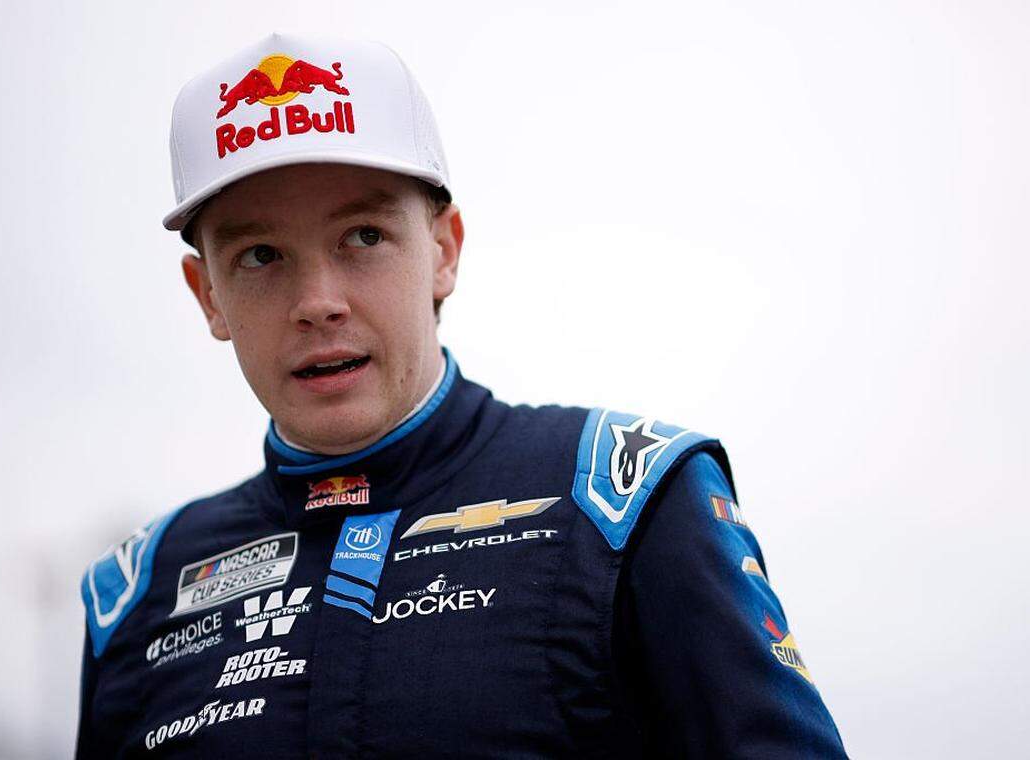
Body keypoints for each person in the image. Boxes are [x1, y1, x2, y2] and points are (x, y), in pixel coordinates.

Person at [76, 31, 848, 758]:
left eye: (364, 238)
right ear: (206, 293)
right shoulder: (135, 594)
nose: (318, 301)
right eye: (261, 254)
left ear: (444, 251)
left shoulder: (630, 501)